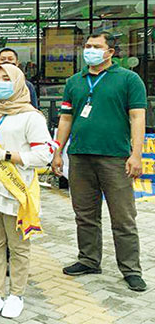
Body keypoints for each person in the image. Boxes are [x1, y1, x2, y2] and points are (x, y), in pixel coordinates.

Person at [52, 31, 147, 292]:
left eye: (96, 46)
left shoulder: (128, 79)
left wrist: (136, 154)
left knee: (123, 217)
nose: (89, 50)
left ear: (110, 52)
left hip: (115, 158)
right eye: (87, 46)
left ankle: (130, 269)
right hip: (80, 157)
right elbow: (66, 119)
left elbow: (137, 117)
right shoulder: (75, 81)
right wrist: (57, 151)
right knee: (84, 214)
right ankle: (89, 259)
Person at [0, 64, 55, 319]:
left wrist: (6, 155)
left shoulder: (31, 116)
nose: (0, 82)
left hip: (15, 188)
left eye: (7, 78)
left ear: (18, 83)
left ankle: (16, 294)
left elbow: (44, 155)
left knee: (18, 246)